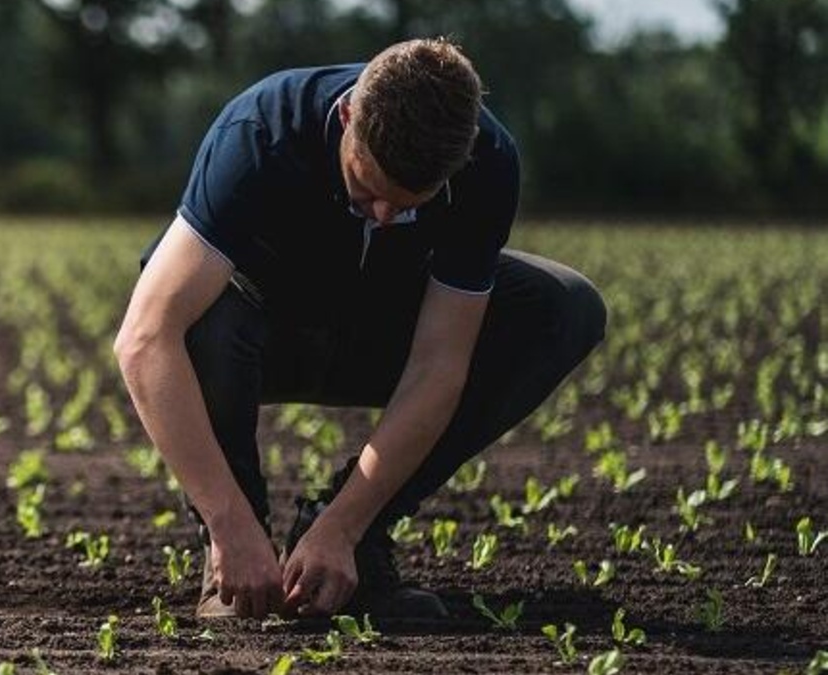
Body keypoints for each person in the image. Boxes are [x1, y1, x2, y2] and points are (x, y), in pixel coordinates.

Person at [113, 38, 606, 620]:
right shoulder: (262, 131)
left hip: (381, 340)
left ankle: (355, 546)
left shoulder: (487, 161)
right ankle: (234, 564)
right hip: (261, 345)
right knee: (198, 305)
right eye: (367, 189)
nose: (383, 215)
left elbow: (438, 365)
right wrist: (228, 521)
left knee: (566, 307)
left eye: (407, 205)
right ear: (348, 116)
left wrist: (343, 523)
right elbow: (145, 339)